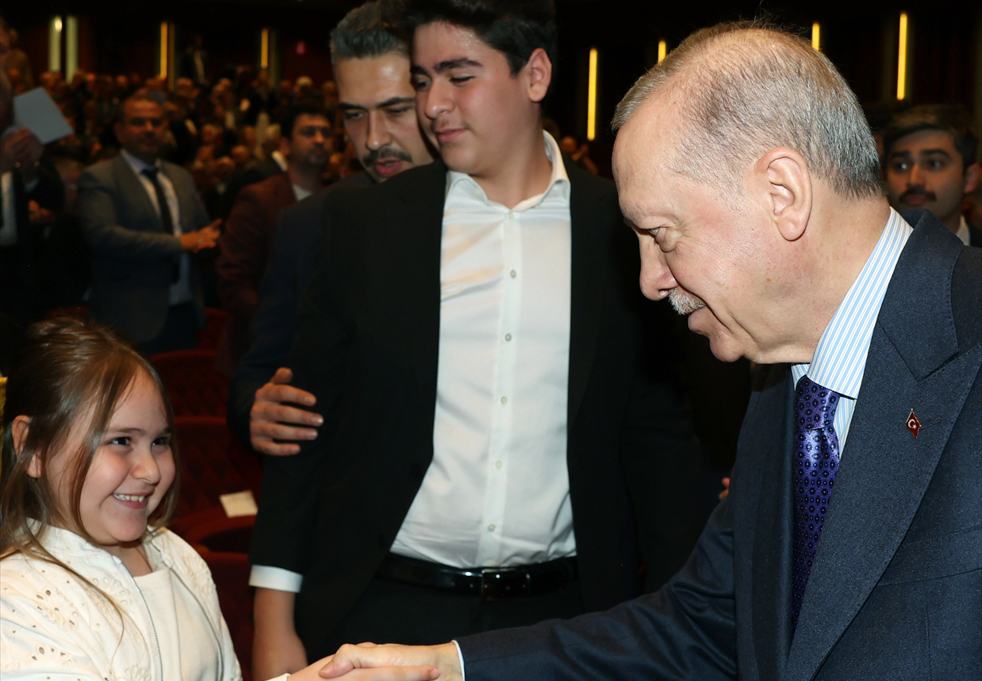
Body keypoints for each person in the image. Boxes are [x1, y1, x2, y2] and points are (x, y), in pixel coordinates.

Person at [315, 20, 981, 681]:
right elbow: (704, 623)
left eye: (661, 234)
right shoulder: (783, 385)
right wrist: (447, 667)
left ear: (783, 194)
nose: (649, 280)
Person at [248, 1, 703, 678]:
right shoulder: (367, 223)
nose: (433, 104)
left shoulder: (617, 226)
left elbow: (657, 447)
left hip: (560, 619)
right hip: (380, 606)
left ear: (535, 74)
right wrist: (273, 621)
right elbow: (302, 434)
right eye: (423, 79)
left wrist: (684, 633)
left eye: (459, 76)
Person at [0, 318, 334, 680]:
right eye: (120, 441)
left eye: (160, 442)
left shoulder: (176, 554)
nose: (151, 470)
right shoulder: (16, 602)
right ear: (33, 447)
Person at [228, 0, 435, 454]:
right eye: (355, 115)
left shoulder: (497, 215)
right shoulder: (308, 223)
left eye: (396, 110)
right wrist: (258, 410)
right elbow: (255, 375)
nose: (374, 139)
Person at [78, 94, 221, 355]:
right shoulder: (100, 177)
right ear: (119, 131)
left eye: (156, 122)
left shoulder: (180, 175)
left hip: (184, 310)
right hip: (129, 316)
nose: (149, 129)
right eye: (138, 122)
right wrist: (178, 243)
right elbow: (102, 236)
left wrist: (211, 238)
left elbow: (200, 231)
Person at [215, 102, 332, 376]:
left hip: (321, 351)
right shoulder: (260, 198)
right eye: (308, 132)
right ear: (286, 145)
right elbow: (233, 282)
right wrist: (283, 320)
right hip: (263, 350)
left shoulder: (338, 198)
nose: (319, 140)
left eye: (326, 133)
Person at [883, 103, 981, 246]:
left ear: (970, 178)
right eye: (901, 166)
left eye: (933, 164)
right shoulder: (861, 252)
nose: (913, 180)